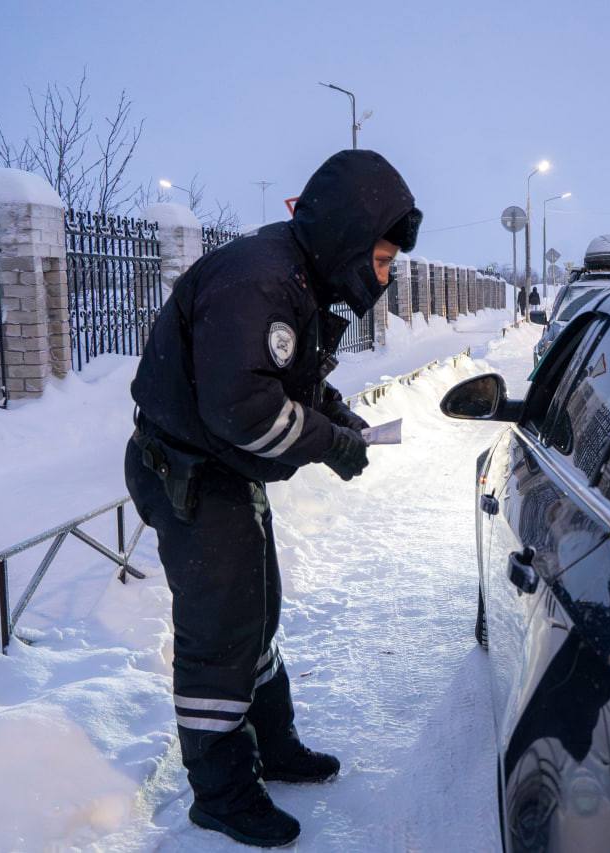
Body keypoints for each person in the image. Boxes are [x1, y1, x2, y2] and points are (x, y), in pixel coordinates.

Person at [124, 150, 422, 847]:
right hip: (192, 474)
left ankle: (273, 743)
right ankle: (221, 792)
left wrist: (336, 416)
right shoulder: (258, 282)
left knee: (257, 609)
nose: (383, 276)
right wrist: (328, 442)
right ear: (348, 237)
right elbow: (242, 408)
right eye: (379, 259)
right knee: (222, 627)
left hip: (224, 471)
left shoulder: (299, 276)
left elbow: (287, 378)